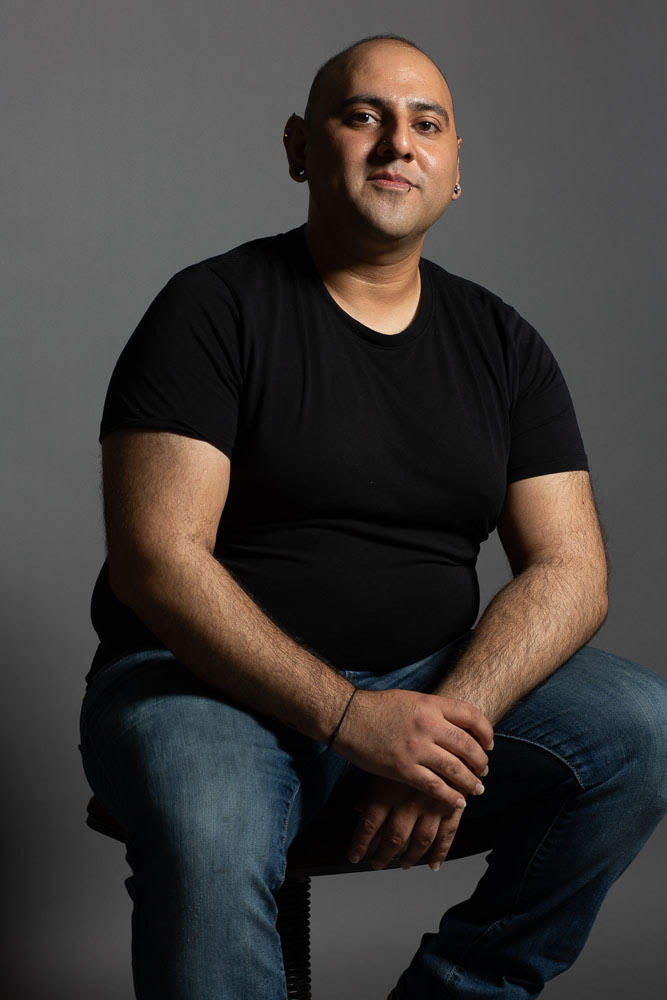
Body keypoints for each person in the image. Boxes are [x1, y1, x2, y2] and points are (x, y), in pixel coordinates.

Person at [79, 33, 667, 1000]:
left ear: (453, 170)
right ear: (299, 147)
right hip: (198, 689)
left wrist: (444, 726)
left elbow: (572, 570)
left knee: (637, 730)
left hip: (425, 683)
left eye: (424, 124)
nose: (397, 142)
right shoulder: (211, 309)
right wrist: (351, 718)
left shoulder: (502, 346)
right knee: (214, 826)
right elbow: (158, 562)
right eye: (363, 116)